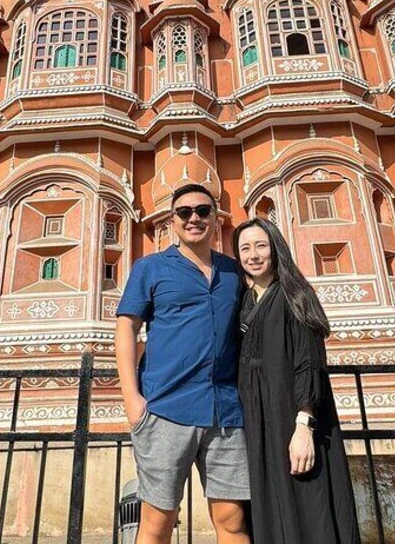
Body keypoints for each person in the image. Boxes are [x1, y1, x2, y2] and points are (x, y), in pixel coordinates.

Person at [115, 183, 251, 544]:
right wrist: (131, 399)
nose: (194, 219)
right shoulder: (151, 268)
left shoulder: (233, 272)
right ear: (172, 221)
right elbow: (127, 327)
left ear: (216, 219)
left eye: (203, 211)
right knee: (158, 520)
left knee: (232, 519)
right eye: (185, 212)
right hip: (166, 408)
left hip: (225, 411)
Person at [233, 217, 360, 544]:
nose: (253, 255)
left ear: (275, 248)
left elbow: (309, 363)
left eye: (261, 246)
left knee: (307, 507)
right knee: (271, 509)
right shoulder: (245, 300)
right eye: (245, 248)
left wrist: (304, 427)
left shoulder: (294, 294)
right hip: (259, 425)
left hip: (293, 420)